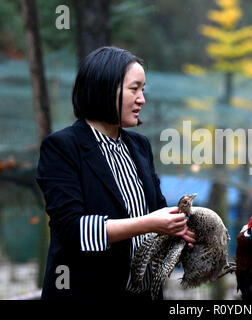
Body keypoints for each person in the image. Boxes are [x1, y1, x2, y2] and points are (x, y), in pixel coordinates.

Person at [36, 46, 195, 300]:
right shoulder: (62, 148)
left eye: (143, 89)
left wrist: (180, 232)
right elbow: (72, 229)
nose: (142, 98)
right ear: (105, 88)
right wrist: (148, 223)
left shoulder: (139, 147)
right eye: (134, 89)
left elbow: (158, 212)